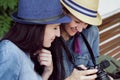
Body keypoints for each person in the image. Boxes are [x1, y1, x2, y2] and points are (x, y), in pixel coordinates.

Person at [0, 0, 71, 80]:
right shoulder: (10, 51)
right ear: (37, 28)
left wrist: (47, 72)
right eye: (55, 27)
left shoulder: (28, 53)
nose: (58, 34)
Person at [49, 0, 102, 80]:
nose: (80, 30)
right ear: (63, 11)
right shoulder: (48, 38)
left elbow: (93, 66)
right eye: (77, 21)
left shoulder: (91, 32)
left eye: (86, 23)